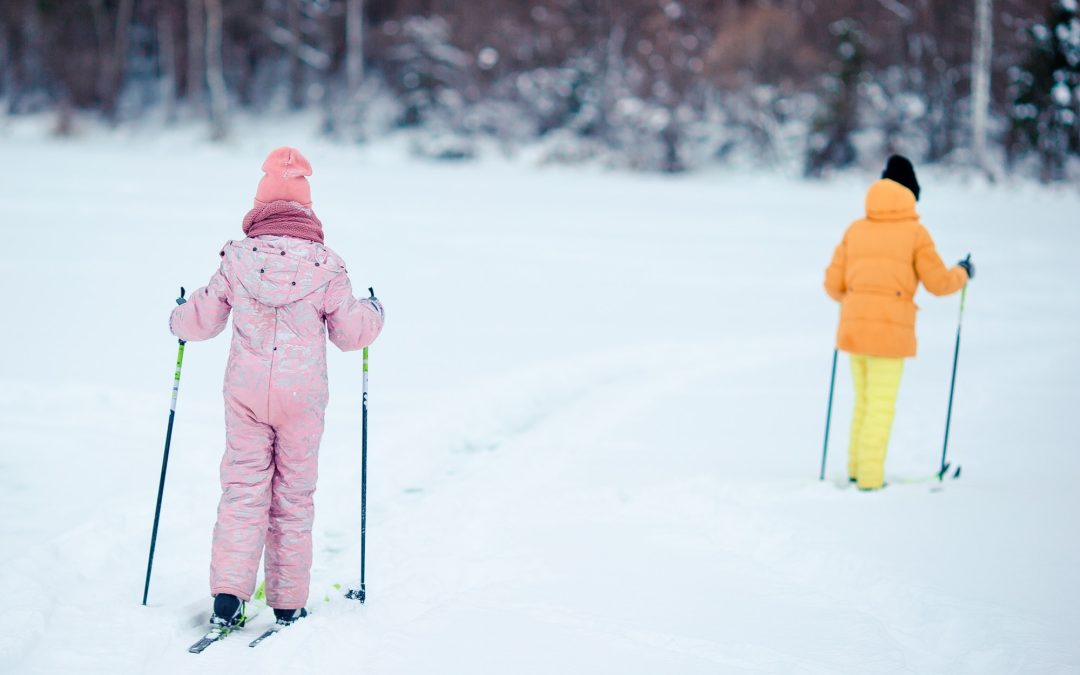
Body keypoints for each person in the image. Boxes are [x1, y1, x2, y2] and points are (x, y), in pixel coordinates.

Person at [169, 147, 384, 628]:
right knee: (294, 495)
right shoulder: (326, 266)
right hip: (301, 398)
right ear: (307, 211)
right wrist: (375, 313)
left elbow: (199, 322)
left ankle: (228, 594)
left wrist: (178, 315)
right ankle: (287, 601)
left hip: (245, 394)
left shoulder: (237, 258)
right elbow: (352, 334)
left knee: (243, 489)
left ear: (260, 208)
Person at [824, 155, 973, 491]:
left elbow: (833, 287)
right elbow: (939, 284)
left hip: (853, 332)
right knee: (880, 407)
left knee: (863, 403)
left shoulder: (855, 229)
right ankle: (870, 480)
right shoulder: (916, 233)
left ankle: (855, 470)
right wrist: (962, 273)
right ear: (912, 193)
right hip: (890, 335)